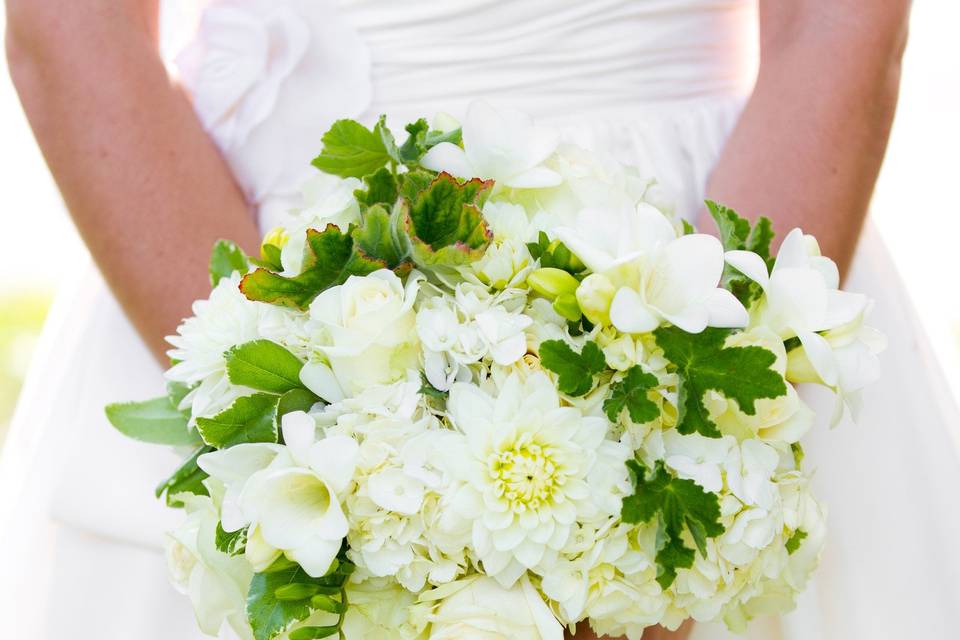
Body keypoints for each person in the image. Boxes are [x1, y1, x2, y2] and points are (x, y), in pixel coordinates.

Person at [4, 1, 958, 639]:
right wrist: (297, 438)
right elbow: (67, 22)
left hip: (700, 248)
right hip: (237, 253)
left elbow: (841, 22)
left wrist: (660, 521)